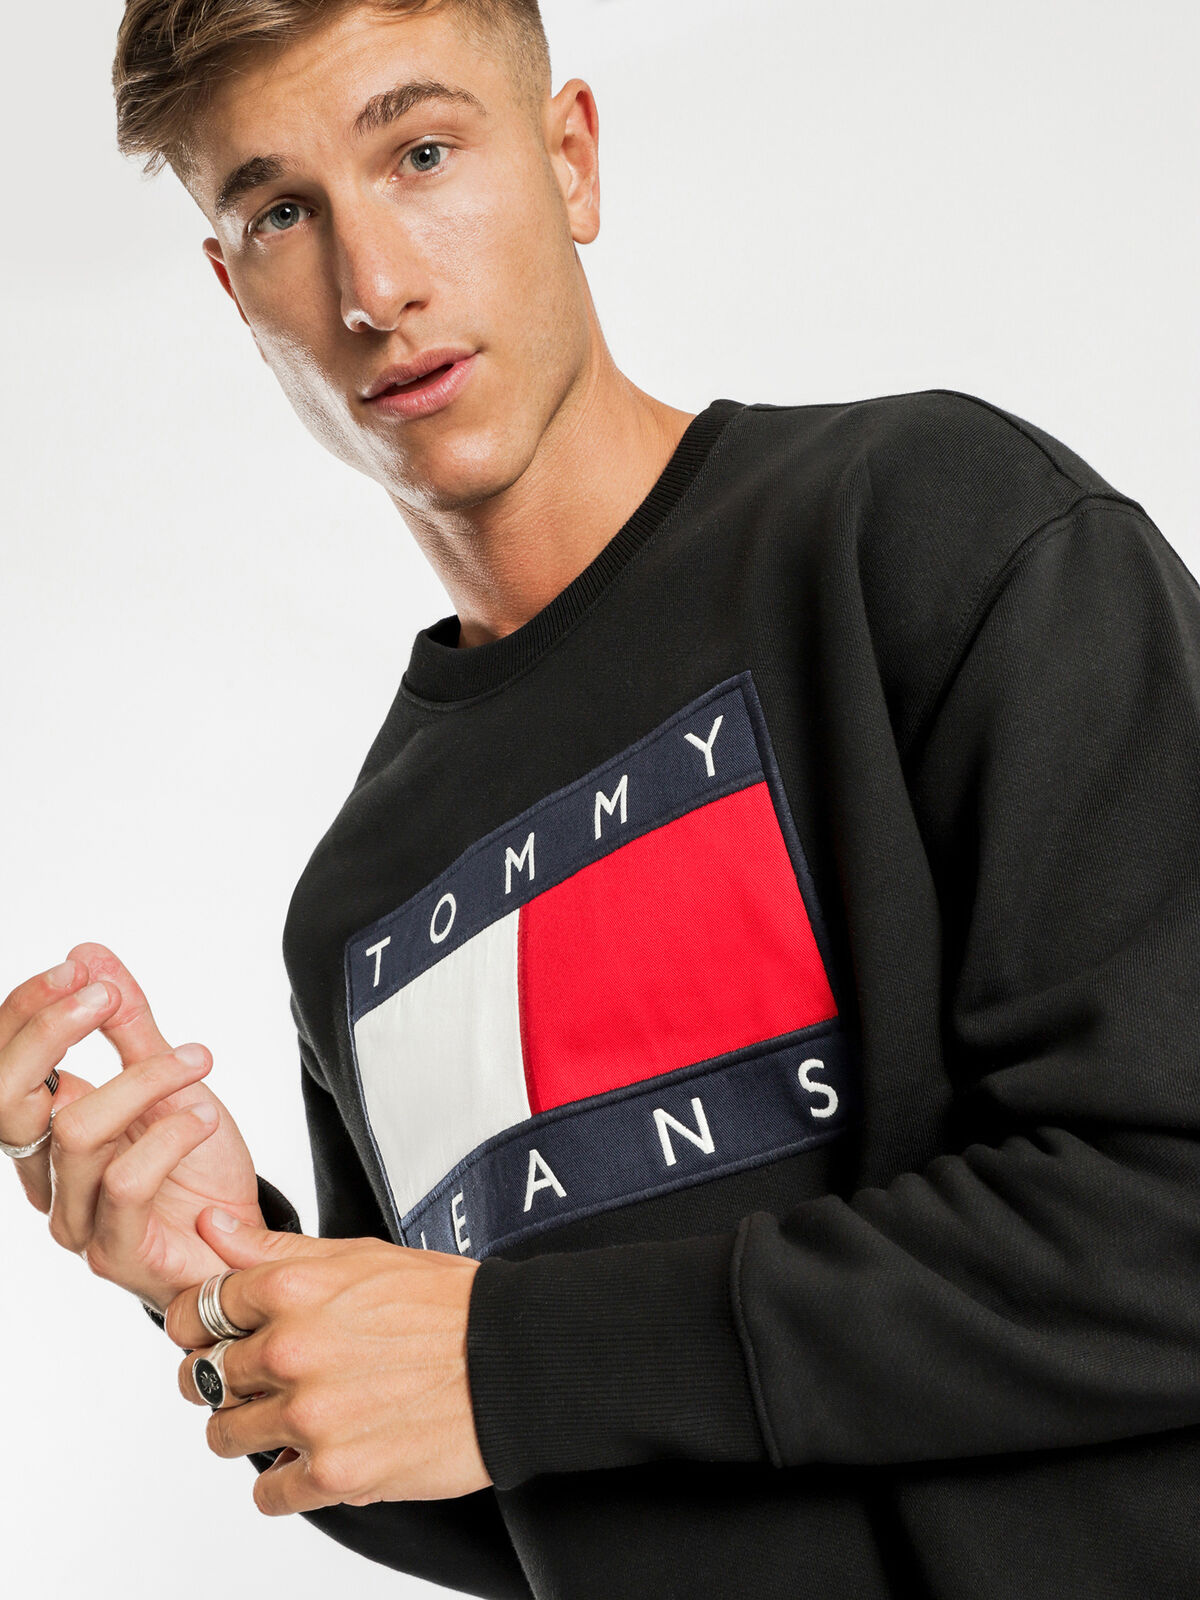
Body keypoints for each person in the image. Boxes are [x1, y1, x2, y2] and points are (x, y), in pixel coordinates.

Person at [4, 0, 1200, 1594]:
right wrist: (230, 1284)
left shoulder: (934, 534)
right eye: (283, 213)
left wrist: (512, 1357)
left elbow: (1169, 1219)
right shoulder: (360, 902)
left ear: (569, 159)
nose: (374, 287)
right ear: (234, 291)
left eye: (422, 153)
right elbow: (521, 1494)